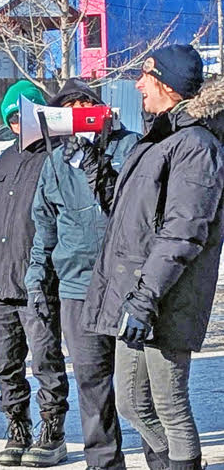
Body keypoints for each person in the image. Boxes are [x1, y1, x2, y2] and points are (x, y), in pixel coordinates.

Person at [81, 45, 224, 470]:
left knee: (170, 405)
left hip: (166, 296)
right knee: (130, 402)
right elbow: (131, 216)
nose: (138, 84)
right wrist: (92, 164)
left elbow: (184, 231)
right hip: (137, 294)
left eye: (147, 76)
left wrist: (146, 298)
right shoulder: (159, 139)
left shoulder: (196, 145)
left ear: (168, 84)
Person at [24, 79, 139, 470]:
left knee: (140, 391)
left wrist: (96, 167)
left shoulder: (129, 147)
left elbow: (134, 210)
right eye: (68, 110)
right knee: (92, 383)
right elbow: (44, 226)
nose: (77, 115)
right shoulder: (56, 161)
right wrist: (37, 279)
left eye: (83, 106)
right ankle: (104, 463)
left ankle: (165, 459)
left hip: (126, 286)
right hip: (77, 288)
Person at [0, 80, 69, 467]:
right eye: (11, 119)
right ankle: (17, 428)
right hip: (0, 279)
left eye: (23, 116)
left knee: (45, 362)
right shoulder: (6, 159)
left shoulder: (57, 157)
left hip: (37, 280)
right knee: (6, 364)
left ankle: (52, 432)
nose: (17, 125)